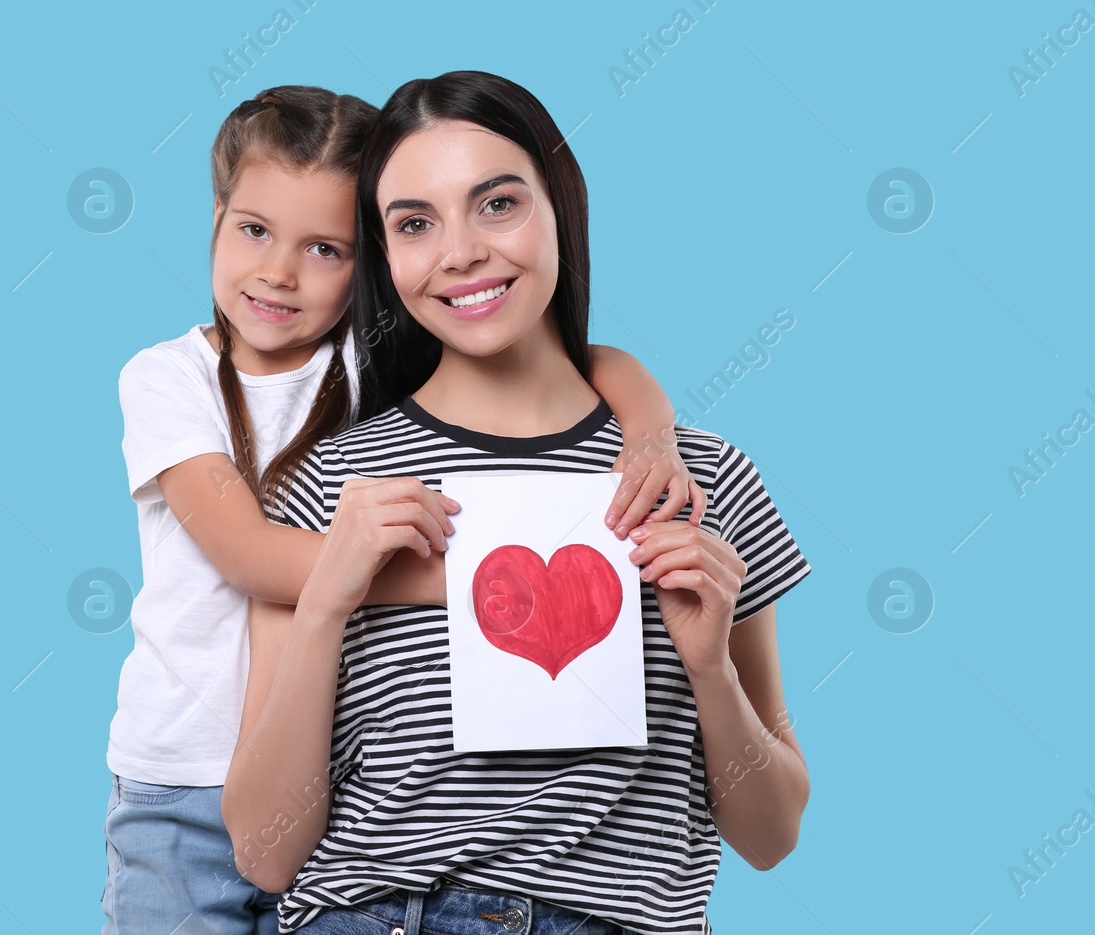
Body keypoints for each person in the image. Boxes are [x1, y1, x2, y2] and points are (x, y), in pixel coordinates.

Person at [104, 84, 706, 934]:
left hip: (328, 787)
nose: (279, 271)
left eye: (325, 248)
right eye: (254, 230)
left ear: (372, 262)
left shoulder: (366, 363)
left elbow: (583, 353)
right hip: (184, 782)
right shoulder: (168, 378)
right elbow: (250, 556)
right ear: (213, 219)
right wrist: (500, 575)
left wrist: (650, 427)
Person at [221, 71, 812, 935]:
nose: (459, 252)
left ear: (560, 209)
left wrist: (711, 670)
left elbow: (772, 836)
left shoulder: (701, 480)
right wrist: (324, 605)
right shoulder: (335, 482)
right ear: (387, 256)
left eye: (497, 204)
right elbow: (264, 853)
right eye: (415, 224)